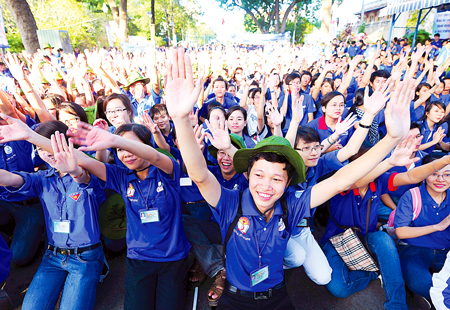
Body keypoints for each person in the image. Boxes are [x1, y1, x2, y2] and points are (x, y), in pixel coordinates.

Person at [165, 48, 413, 309]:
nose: (266, 185)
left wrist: (392, 138)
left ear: (288, 183)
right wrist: (180, 119)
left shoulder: (291, 205)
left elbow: (343, 180)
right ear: (248, 175)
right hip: (234, 299)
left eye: (276, 179)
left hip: (277, 298)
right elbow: (200, 175)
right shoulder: (231, 203)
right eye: (259, 174)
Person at [0, 115, 189, 310]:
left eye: (132, 146)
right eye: (120, 150)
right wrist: (29, 136)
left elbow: (156, 157)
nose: (126, 154)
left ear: (146, 145)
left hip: (173, 259)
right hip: (139, 259)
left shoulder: (168, 171)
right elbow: (79, 158)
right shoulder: (121, 176)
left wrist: (115, 139)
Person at [0, 121, 106, 310]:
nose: (46, 152)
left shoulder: (86, 170)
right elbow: (9, 178)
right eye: (39, 148)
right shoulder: (42, 178)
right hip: (53, 257)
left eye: (49, 145)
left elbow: (86, 180)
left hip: (86, 258)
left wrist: (74, 170)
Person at [394, 152, 450, 307]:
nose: (440, 180)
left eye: (447, 175)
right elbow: (401, 232)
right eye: (434, 174)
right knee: (420, 283)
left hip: (446, 252)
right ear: (424, 174)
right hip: (415, 250)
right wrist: (437, 227)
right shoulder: (412, 195)